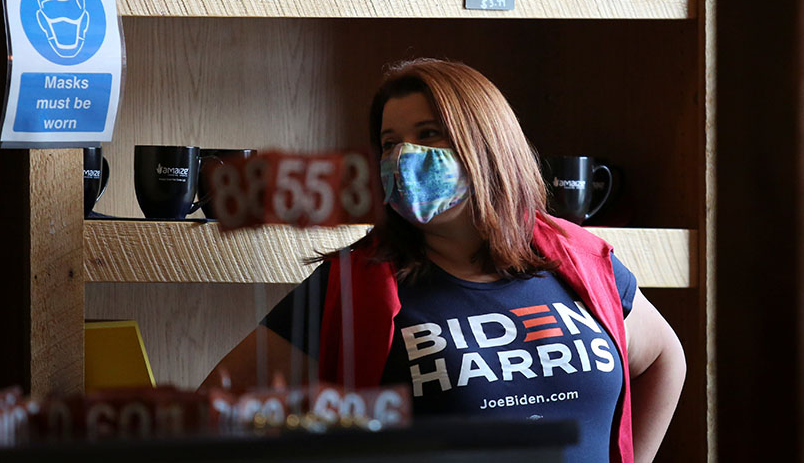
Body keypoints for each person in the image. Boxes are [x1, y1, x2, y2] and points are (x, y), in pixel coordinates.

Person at [202, 58, 685, 463]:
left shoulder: (578, 258)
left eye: (430, 133)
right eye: (390, 143)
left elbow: (663, 358)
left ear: (487, 144)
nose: (405, 156)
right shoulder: (352, 286)